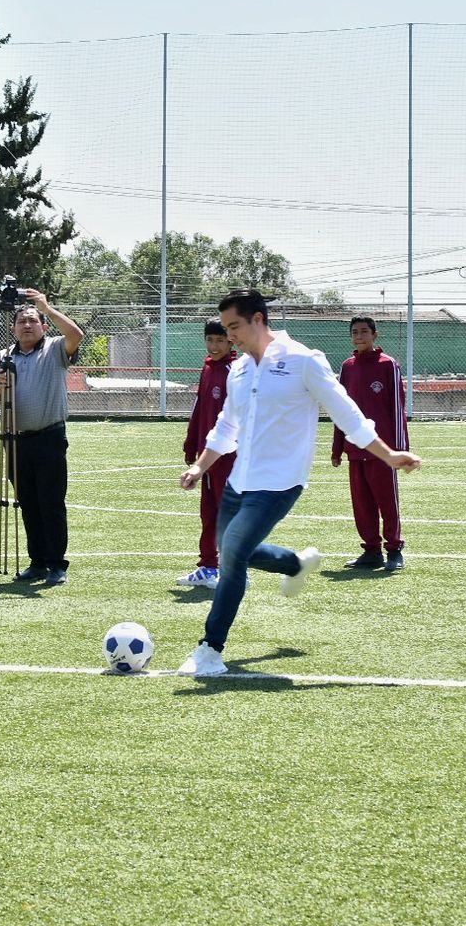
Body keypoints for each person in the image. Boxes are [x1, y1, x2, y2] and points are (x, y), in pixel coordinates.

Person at [176, 290, 422, 677]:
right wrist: (201, 467)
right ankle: (294, 563)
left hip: (280, 482)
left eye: (234, 327)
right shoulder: (239, 370)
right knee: (231, 547)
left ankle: (210, 648)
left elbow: (348, 413)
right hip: (239, 481)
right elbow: (227, 426)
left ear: (259, 319)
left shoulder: (303, 361)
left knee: (234, 555)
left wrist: (388, 455)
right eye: (225, 329)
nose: (230, 336)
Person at [0, 290, 85, 587]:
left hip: (50, 437)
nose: (27, 325)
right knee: (28, 503)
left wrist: (47, 308)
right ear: (13, 328)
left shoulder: (54, 349)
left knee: (51, 503)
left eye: (33, 321)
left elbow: (76, 334)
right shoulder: (3, 357)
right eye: (22, 321)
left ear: (43, 326)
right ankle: (37, 562)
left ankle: (56, 564)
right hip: (14, 440)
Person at [332, 315, 409, 573]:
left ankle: (394, 550)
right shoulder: (347, 367)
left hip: (382, 450)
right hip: (355, 449)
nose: (359, 336)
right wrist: (337, 446)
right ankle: (372, 551)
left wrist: (398, 449)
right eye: (355, 332)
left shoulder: (388, 365)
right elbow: (339, 410)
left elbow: (398, 409)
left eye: (364, 331)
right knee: (362, 504)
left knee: (387, 501)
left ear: (375, 335)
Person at [177, 319, 238, 590]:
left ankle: (234, 571)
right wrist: (192, 443)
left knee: (228, 513)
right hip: (207, 456)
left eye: (219, 340)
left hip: (229, 456)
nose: (214, 346)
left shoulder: (234, 371)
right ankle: (208, 566)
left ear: (230, 341)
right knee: (208, 513)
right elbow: (199, 408)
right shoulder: (208, 368)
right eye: (210, 340)